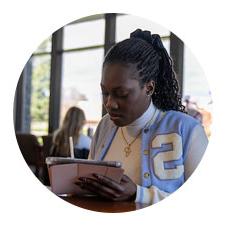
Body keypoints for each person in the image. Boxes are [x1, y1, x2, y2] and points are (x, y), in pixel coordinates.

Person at [75, 29, 208, 205]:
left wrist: (139, 194)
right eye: (104, 93)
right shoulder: (105, 126)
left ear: (149, 88)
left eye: (121, 93)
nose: (109, 103)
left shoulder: (186, 130)